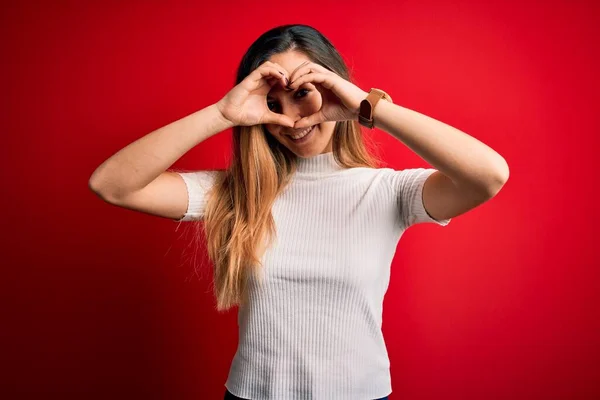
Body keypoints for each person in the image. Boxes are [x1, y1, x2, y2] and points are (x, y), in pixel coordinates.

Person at [89, 24, 509, 400]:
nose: (291, 119)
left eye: (303, 93)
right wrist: (222, 113)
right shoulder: (237, 192)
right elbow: (112, 185)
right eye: (273, 102)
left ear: (333, 87)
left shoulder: (387, 192)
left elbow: (488, 175)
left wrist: (367, 106)